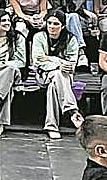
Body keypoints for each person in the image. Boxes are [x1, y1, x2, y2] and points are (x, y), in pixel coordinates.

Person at [31, 10, 84, 140]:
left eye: (56, 24)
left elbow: (71, 64)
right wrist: (58, 63)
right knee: (58, 74)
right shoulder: (39, 36)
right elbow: (37, 61)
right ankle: (72, 110)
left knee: (53, 87)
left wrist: (49, 59)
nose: (52, 26)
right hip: (43, 75)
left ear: (63, 26)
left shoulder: (71, 39)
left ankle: (51, 126)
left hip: (64, 75)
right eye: (49, 23)